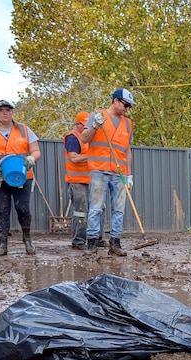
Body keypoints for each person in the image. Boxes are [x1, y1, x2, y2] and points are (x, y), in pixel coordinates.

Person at [0, 99, 41, 257]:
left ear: (12, 112)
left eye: (8, 110)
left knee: (23, 208)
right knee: (3, 210)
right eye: (1, 110)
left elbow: (36, 151)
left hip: (22, 176)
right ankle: (2, 245)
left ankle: (27, 239)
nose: (5, 113)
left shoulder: (24, 130)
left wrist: (32, 158)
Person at [80, 87, 135, 256]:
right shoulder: (97, 116)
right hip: (99, 170)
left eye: (129, 107)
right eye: (125, 105)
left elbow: (127, 150)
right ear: (115, 101)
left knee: (119, 209)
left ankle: (115, 242)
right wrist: (94, 125)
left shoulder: (128, 123)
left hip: (119, 173)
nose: (127, 109)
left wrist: (129, 174)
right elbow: (84, 138)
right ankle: (91, 242)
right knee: (96, 208)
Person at [64, 111, 105, 250]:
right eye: (86, 124)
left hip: (92, 179)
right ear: (78, 124)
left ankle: (97, 238)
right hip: (77, 181)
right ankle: (79, 240)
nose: (88, 127)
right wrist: (92, 156)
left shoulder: (90, 137)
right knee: (81, 210)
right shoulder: (73, 138)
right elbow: (74, 158)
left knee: (99, 209)